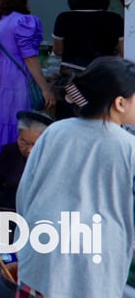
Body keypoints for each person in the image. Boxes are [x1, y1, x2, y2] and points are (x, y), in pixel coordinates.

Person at [17, 57, 135, 298]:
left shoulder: (55, 131)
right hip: (95, 265)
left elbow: (25, 192)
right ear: (120, 102)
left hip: (42, 253)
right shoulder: (128, 147)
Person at [0, 0, 54, 160]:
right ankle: (16, 163)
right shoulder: (25, 21)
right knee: (19, 120)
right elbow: (30, 58)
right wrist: (45, 87)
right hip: (18, 78)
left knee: (0, 120)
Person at [0, 110, 52, 234]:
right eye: (23, 142)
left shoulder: (55, 160)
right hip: (9, 219)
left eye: (35, 145)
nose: (29, 150)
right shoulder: (12, 152)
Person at [52, 0, 124, 72]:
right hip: (105, 73)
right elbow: (124, 52)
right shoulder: (115, 19)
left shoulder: (64, 18)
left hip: (72, 74)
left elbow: (58, 51)